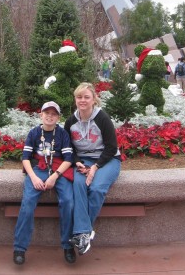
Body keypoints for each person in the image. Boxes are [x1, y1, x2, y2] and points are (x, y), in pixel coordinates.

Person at [13, 101, 76, 265]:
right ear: (41, 114)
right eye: (46, 113)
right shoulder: (34, 133)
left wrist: (54, 176)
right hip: (38, 170)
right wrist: (33, 177)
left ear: (58, 117)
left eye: (53, 113)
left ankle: (68, 245)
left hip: (58, 170)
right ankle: (20, 247)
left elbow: (69, 159)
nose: (50, 116)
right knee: (27, 202)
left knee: (68, 201)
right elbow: (25, 158)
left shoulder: (62, 134)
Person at [64, 82, 121, 256]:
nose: (82, 100)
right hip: (83, 161)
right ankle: (85, 233)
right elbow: (68, 148)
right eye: (79, 97)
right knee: (79, 185)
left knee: (96, 188)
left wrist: (95, 167)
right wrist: (77, 162)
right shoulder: (70, 121)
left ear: (94, 99)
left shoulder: (102, 118)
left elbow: (111, 147)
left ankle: (82, 233)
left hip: (107, 159)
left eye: (86, 97)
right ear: (75, 99)